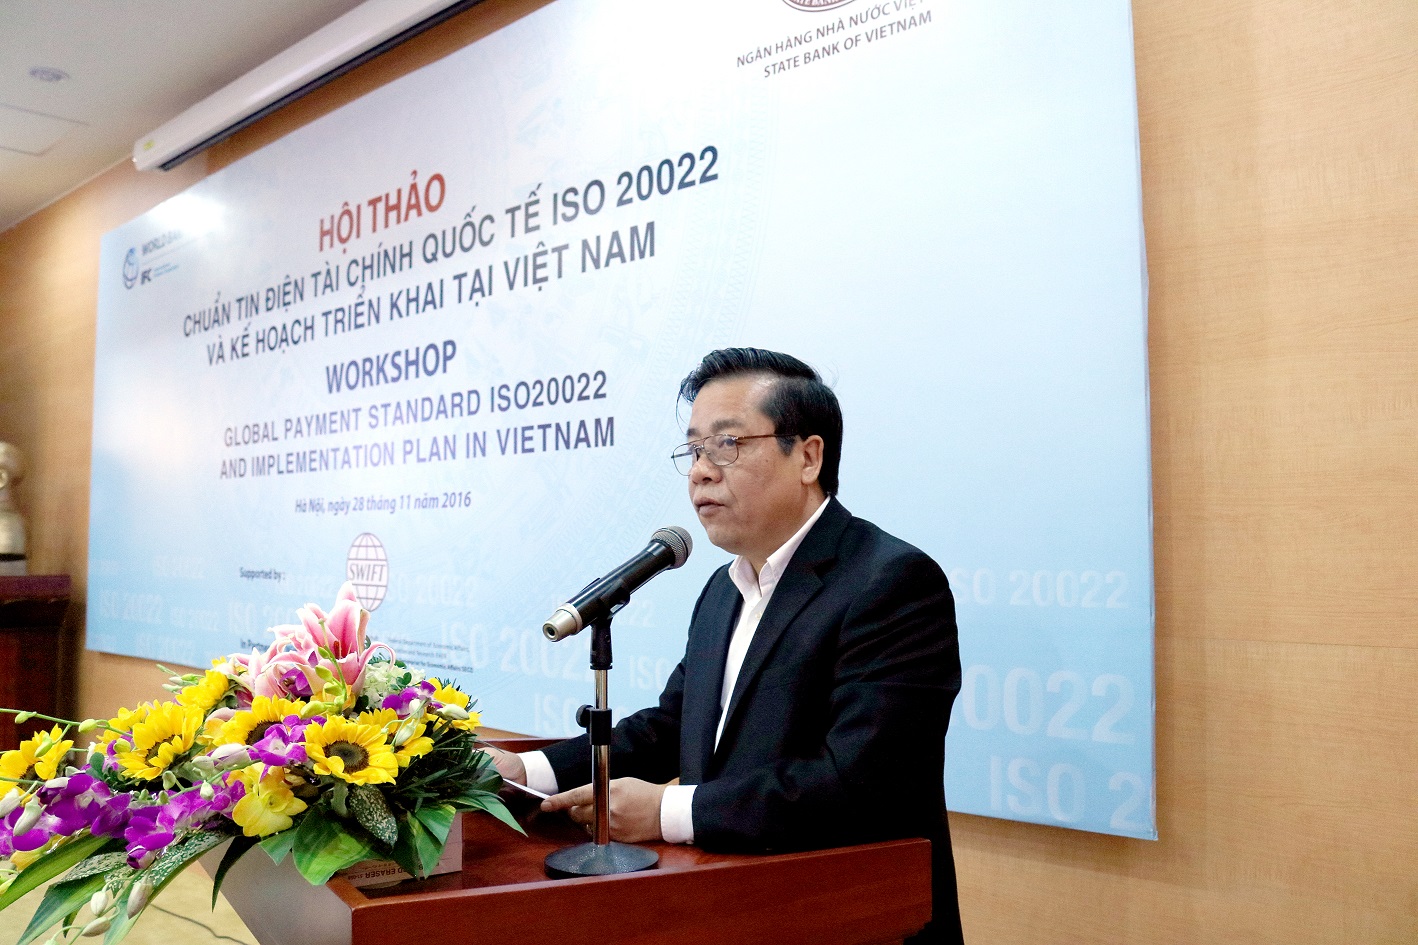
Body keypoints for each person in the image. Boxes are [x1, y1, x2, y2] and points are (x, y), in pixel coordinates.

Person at [491, 348, 963, 944]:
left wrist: (667, 812)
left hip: (855, 916)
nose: (701, 472)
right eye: (693, 450)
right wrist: (530, 769)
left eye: (727, 445)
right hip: (732, 909)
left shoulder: (890, 582)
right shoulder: (724, 587)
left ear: (808, 457)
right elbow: (671, 727)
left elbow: (859, 783)